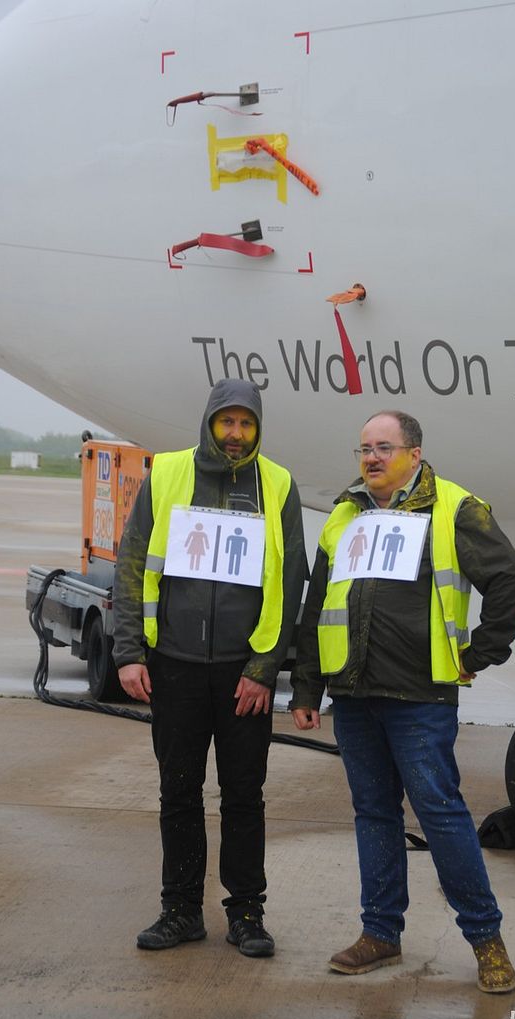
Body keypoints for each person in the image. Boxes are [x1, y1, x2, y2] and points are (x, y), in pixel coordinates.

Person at [291, 410, 515, 993]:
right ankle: (380, 934)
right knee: (373, 814)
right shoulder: (343, 516)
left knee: (442, 816)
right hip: (353, 694)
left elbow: (509, 580)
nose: (372, 458)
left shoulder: (453, 507)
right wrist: (306, 686)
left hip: (419, 699)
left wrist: (479, 653)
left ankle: (486, 941)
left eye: (385, 448)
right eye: (364, 449)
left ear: (414, 454)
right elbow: (318, 603)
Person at [113, 378, 305, 957]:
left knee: (245, 795)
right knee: (179, 792)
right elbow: (130, 564)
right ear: (210, 422)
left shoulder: (277, 484)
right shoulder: (167, 474)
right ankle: (180, 911)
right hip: (174, 664)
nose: (236, 434)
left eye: (246, 424)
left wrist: (265, 668)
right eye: (228, 422)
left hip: (244, 674)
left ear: (258, 429)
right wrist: (127, 652)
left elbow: (288, 579)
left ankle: (247, 913)